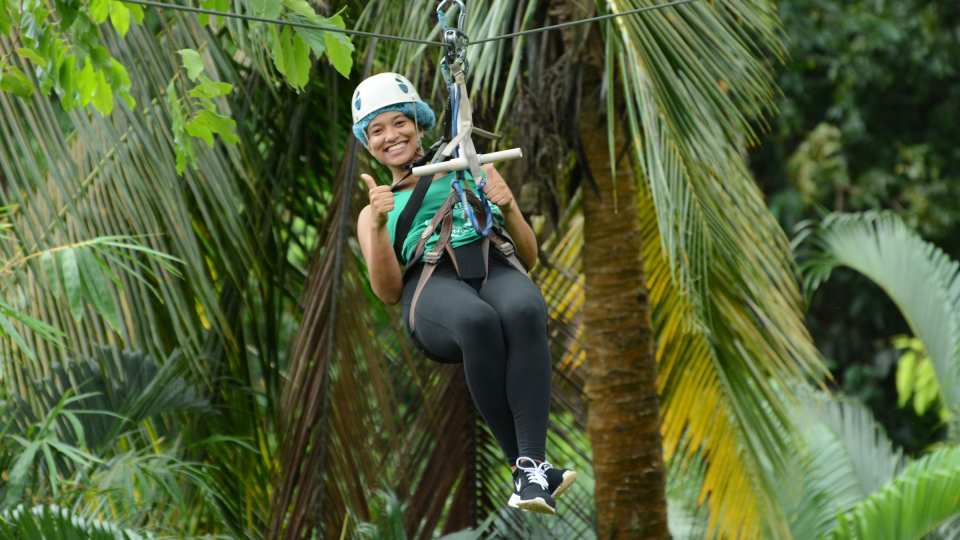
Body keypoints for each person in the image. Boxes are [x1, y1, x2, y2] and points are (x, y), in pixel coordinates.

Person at [352, 72, 576, 515]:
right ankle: (524, 465)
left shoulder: (472, 169)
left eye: (399, 123)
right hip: (432, 286)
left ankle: (531, 466)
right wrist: (379, 225)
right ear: (369, 143)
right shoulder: (375, 207)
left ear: (418, 124)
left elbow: (527, 255)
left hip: (493, 264)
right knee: (477, 322)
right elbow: (389, 292)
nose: (391, 136)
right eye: (377, 130)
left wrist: (507, 205)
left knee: (526, 306)